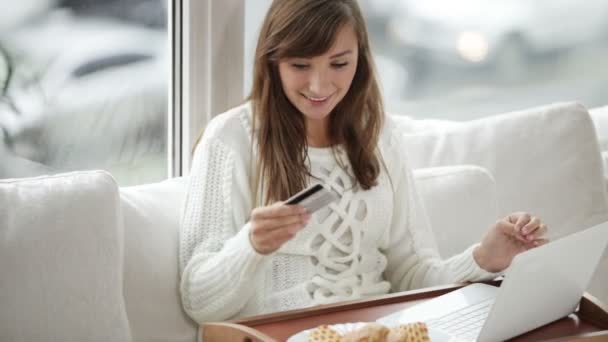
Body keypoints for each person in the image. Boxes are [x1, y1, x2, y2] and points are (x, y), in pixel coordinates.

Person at [179, 0, 549, 324]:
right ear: (272, 61)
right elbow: (199, 301)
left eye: (339, 64)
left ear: (361, 56)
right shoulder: (231, 138)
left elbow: (412, 276)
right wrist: (251, 245)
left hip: (383, 330)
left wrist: (484, 258)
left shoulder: (379, 136)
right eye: (300, 65)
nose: (320, 85)